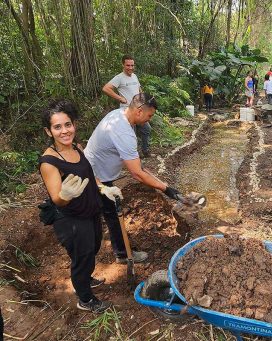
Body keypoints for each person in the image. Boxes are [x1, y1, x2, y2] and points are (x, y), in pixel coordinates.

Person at [84, 93, 188, 264]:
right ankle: (122, 254)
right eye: (149, 115)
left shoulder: (119, 115)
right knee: (107, 213)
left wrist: (163, 183)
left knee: (110, 211)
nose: (149, 120)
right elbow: (137, 173)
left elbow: (139, 166)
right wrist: (167, 190)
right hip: (93, 176)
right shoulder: (123, 132)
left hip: (96, 170)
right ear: (139, 111)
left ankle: (118, 248)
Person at [39, 100, 117, 313]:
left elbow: (89, 175)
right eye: (58, 127)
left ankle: (85, 278)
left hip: (90, 210)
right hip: (71, 219)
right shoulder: (49, 162)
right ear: (49, 131)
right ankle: (85, 299)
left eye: (68, 124)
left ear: (74, 124)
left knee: (92, 247)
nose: (64, 131)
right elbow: (57, 199)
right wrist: (65, 194)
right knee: (82, 257)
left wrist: (103, 188)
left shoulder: (76, 147)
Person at [102, 55, 152, 158]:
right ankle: (133, 156)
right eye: (128, 65)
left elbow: (139, 89)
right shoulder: (119, 78)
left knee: (146, 129)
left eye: (132, 65)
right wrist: (120, 98)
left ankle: (145, 150)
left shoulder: (134, 76)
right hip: (127, 111)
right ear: (123, 65)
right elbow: (106, 88)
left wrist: (144, 100)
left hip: (139, 109)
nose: (130, 67)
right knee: (130, 134)